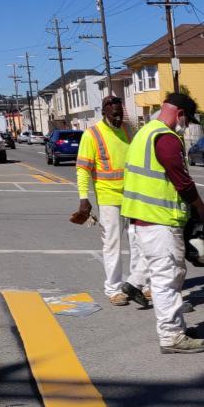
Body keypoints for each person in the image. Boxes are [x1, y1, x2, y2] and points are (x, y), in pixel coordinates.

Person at [120, 92, 204, 354]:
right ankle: (172, 336)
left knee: (169, 277)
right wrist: (200, 208)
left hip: (142, 220)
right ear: (180, 113)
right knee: (166, 280)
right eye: (186, 119)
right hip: (158, 222)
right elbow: (181, 180)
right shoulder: (166, 138)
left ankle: (176, 328)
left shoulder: (145, 133)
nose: (185, 125)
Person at [72, 96, 149, 306]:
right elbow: (82, 169)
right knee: (112, 244)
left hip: (133, 197)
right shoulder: (92, 134)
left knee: (138, 242)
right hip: (108, 199)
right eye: (114, 113)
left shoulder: (127, 131)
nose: (118, 117)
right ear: (105, 111)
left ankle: (137, 284)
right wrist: (84, 199)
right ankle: (114, 289)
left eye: (120, 113)